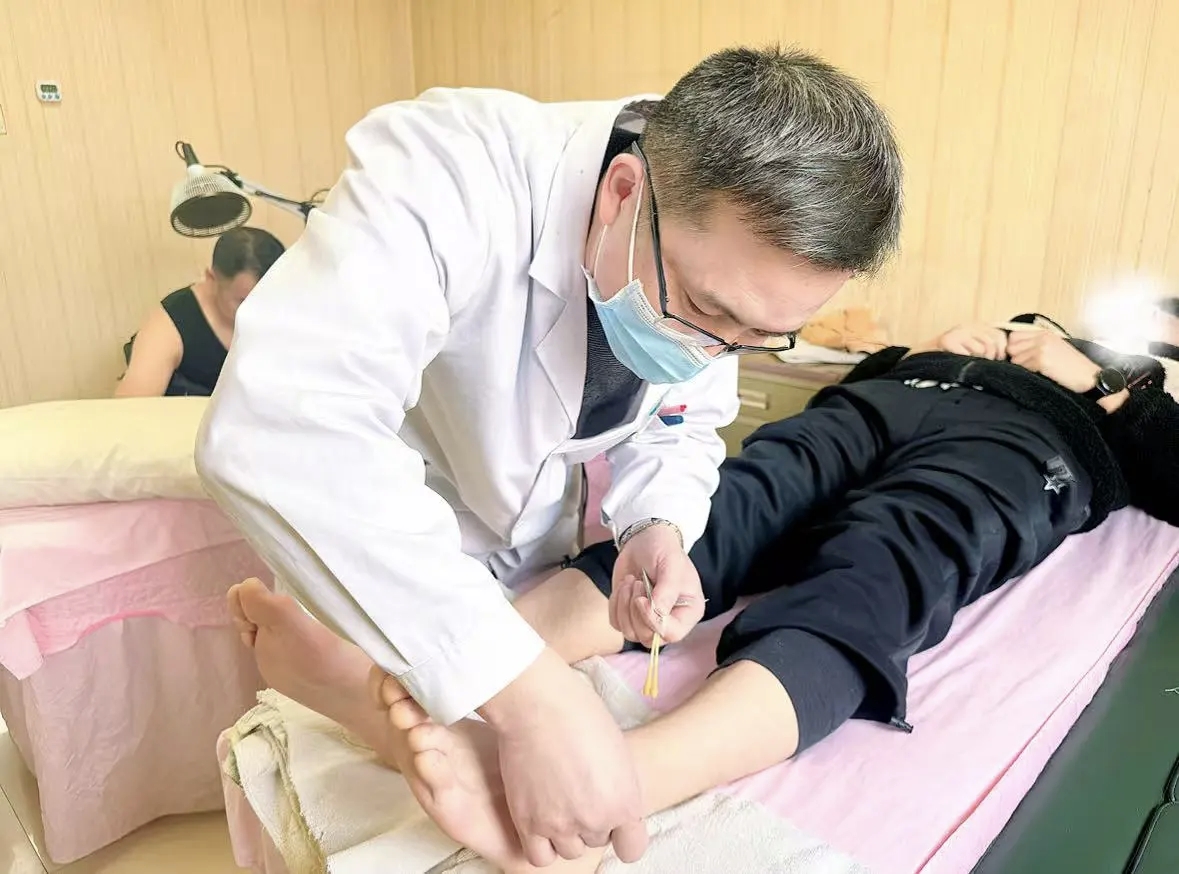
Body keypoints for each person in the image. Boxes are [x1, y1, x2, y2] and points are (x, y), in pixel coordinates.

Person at [196, 47, 903, 867]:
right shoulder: (451, 171)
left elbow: (681, 417)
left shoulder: (713, 267)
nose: (717, 351)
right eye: (705, 310)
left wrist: (656, 524)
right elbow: (284, 423)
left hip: (527, 552)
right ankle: (382, 692)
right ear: (621, 193)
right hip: (394, 542)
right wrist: (530, 695)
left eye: (758, 336)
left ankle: (381, 699)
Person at [228, 320, 1177, 873]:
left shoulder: (1129, 378)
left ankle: (610, 786)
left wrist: (1101, 382)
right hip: (883, 399)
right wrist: (924, 347)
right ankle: (443, 675)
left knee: (881, 569)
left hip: (1026, 445)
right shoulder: (972, 339)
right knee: (705, 523)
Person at [115, 226, 285, 397]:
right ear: (212, 280)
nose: (260, 313)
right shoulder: (170, 327)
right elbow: (130, 408)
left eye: (270, 301)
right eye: (244, 302)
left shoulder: (289, 308)